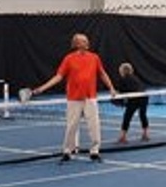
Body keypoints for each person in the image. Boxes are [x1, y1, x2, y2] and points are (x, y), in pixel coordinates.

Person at [31, 33, 117, 162]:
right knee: (72, 126)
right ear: (76, 44)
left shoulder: (94, 58)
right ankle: (67, 151)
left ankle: (94, 151)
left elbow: (102, 74)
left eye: (87, 40)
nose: (86, 43)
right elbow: (58, 76)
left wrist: (111, 87)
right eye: (83, 41)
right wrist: (42, 88)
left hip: (90, 97)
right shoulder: (68, 59)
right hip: (74, 98)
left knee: (94, 125)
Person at [114, 62, 149, 143]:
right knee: (143, 115)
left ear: (123, 71)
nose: (120, 72)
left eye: (120, 70)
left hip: (135, 98)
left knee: (127, 117)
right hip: (144, 97)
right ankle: (145, 134)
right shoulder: (136, 78)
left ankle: (123, 137)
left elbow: (120, 93)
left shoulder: (123, 79)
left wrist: (115, 95)